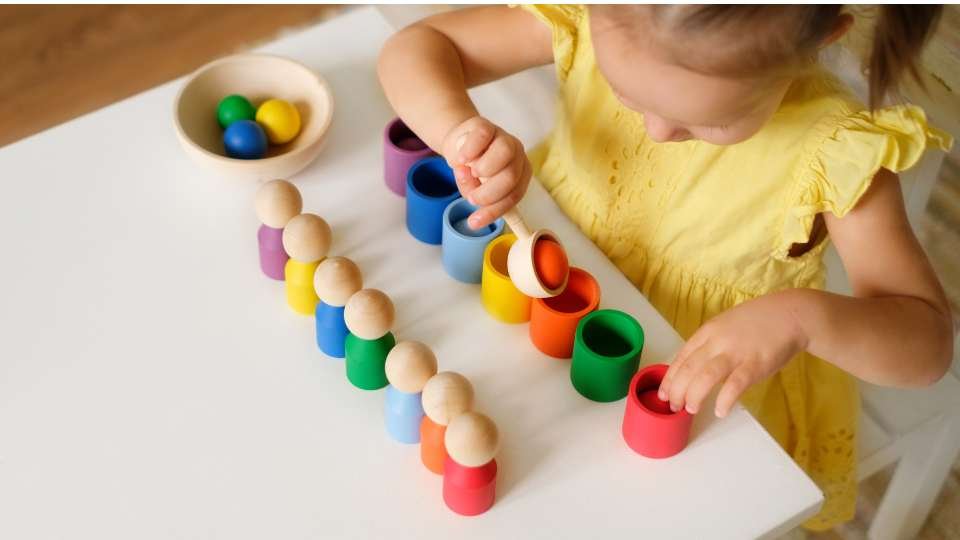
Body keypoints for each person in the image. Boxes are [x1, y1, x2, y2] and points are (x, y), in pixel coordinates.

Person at [377, 5, 954, 529]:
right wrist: (459, 133)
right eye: (626, 93)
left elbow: (927, 345)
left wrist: (802, 320)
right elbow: (418, 47)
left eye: (713, 123)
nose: (657, 131)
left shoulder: (834, 150)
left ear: (818, 41)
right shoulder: (595, 15)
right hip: (540, 334)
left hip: (690, 394)